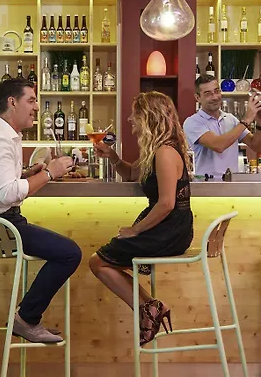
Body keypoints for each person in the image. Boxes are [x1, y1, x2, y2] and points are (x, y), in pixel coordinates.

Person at [0, 78, 81, 343]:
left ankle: (26, 317)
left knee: (64, 251)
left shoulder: (3, 135)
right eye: (31, 100)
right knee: (69, 253)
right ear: (12, 102)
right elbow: (7, 194)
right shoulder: (0, 140)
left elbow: (1, 184)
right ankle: (26, 319)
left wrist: (28, 174)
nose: (36, 107)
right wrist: (50, 173)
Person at [89, 91, 193, 346]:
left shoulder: (165, 153)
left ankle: (148, 308)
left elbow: (167, 203)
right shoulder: (157, 150)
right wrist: (112, 156)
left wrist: (135, 230)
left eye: (134, 115)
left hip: (170, 230)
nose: (129, 120)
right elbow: (130, 174)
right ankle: (151, 307)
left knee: (99, 263)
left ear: (149, 118)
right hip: (168, 227)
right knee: (103, 263)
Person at [183, 74, 261, 177]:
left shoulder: (231, 119)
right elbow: (218, 145)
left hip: (231, 183)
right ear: (198, 98)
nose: (215, 97)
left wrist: (260, 124)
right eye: (208, 94)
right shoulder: (193, 122)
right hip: (206, 184)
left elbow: (256, 146)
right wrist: (247, 120)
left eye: (217, 91)